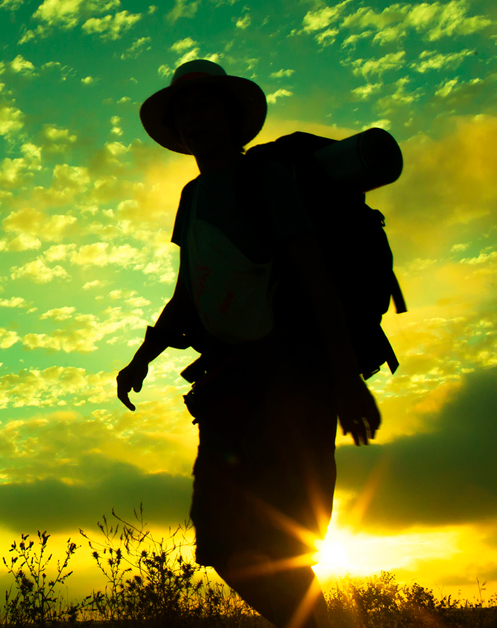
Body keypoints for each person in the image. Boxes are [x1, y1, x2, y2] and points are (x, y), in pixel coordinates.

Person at [116, 60, 381, 628]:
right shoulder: (192, 198)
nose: (194, 119)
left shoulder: (267, 178)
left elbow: (315, 276)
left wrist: (346, 380)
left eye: (205, 106)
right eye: (184, 111)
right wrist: (143, 356)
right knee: (223, 544)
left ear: (232, 117)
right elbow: (188, 291)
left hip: (293, 380)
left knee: (282, 542)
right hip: (229, 389)